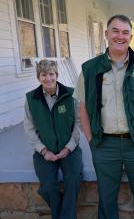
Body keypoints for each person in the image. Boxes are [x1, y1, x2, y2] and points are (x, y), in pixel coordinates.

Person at [73, 14, 134, 219]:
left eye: (125, 32)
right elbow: (82, 108)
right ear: (106, 34)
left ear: (131, 37)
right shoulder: (89, 69)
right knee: (106, 200)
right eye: (115, 31)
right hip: (104, 144)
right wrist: (91, 140)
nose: (120, 36)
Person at [24, 59, 83, 219]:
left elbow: (79, 124)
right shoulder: (31, 99)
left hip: (69, 149)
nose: (48, 78)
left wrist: (68, 148)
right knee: (48, 187)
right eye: (43, 75)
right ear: (38, 77)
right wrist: (43, 150)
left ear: (56, 75)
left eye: (51, 74)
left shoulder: (71, 95)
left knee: (73, 180)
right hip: (45, 150)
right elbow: (29, 128)